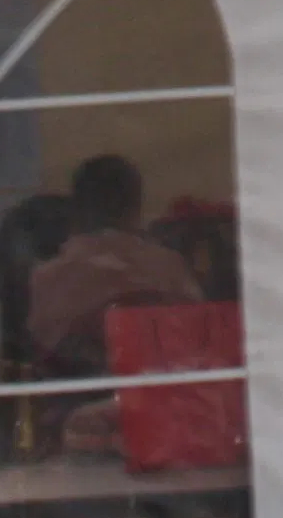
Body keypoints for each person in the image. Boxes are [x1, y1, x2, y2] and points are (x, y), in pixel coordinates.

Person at [22, 154, 203, 375]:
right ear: (136, 207)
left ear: (77, 210)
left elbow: (38, 350)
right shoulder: (168, 268)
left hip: (80, 399)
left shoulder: (48, 278)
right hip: (160, 396)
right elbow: (198, 338)